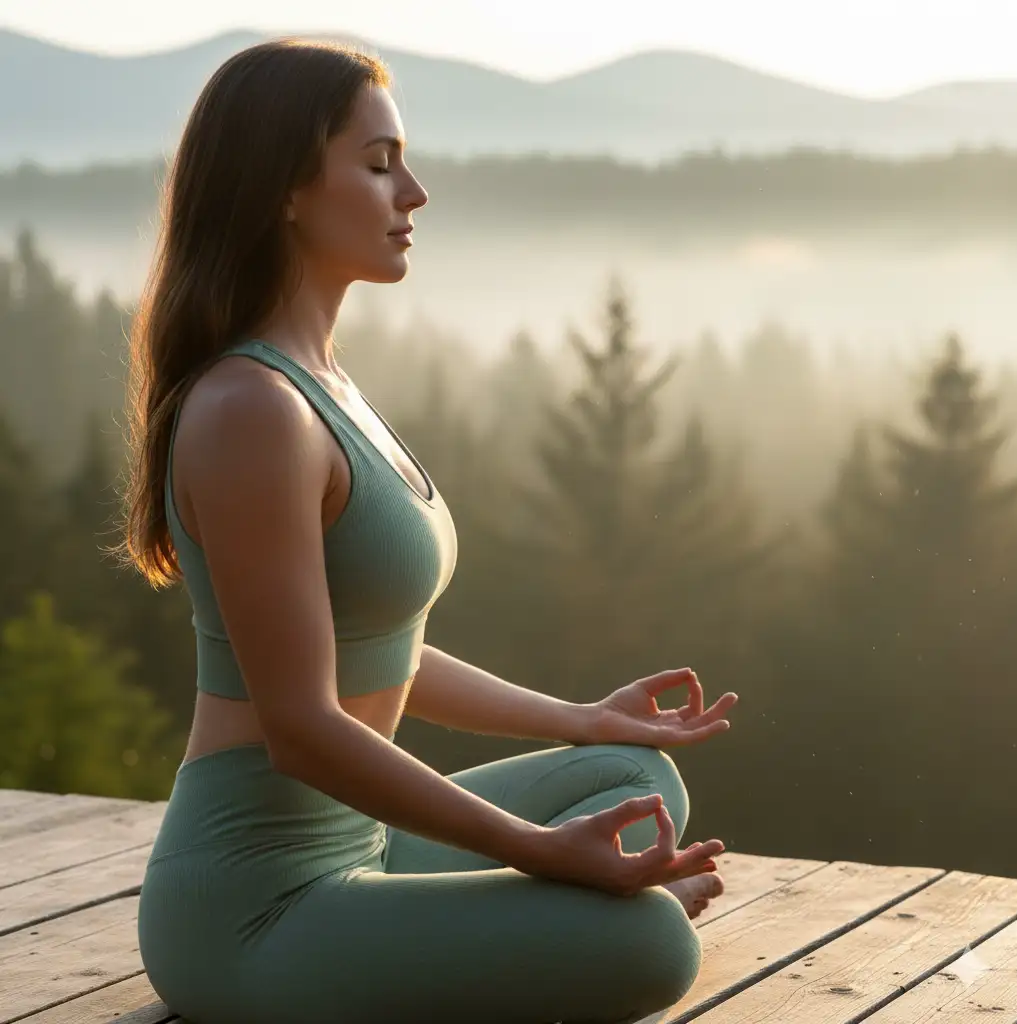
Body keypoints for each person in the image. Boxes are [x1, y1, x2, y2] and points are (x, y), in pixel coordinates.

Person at [121, 38, 739, 1024]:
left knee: (634, 777)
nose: (412, 191)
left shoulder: (326, 386)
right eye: (377, 164)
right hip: (257, 905)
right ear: (284, 188)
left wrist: (585, 719)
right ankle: (563, 919)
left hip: (367, 844)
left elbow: (383, 654)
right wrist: (536, 854)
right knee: (653, 945)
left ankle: (532, 912)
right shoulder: (251, 411)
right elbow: (301, 728)